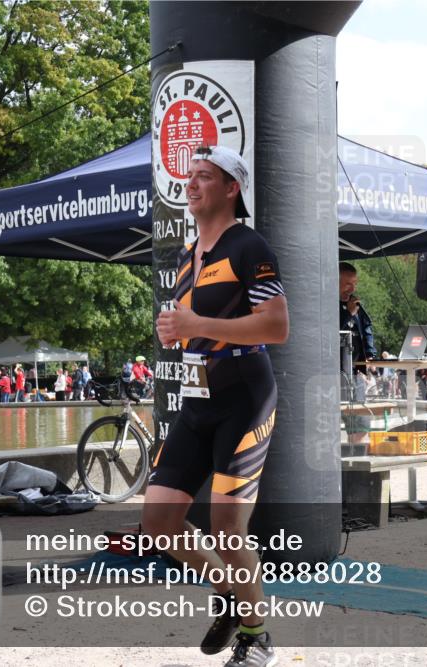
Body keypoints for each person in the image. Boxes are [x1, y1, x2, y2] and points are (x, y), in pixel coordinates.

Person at [144, 144, 289, 667]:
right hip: (197, 397)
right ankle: (234, 592)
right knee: (157, 521)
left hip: (245, 396)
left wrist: (197, 326)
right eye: (190, 176)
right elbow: (193, 327)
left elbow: (277, 326)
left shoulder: (249, 246)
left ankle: (257, 636)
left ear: (232, 188)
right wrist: (175, 331)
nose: (191, 183)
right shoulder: (188, 255)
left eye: (205, 176)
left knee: (228, 526)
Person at [339, 262, 377, 446]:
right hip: (334, 375)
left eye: (354, 283)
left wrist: (369, 354)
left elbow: (367, 327)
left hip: (356, 374)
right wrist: (347, 314)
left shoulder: (356, 305)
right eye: (347, 284)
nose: (352, 288)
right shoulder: (325, 305)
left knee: (361, 424)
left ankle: (359, 464)